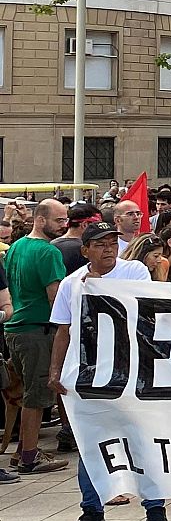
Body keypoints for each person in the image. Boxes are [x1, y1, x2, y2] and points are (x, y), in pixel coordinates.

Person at [50, 224, 161, 521]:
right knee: (90, 441)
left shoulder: (134, 270)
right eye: (100, 245)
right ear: (85, 251)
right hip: (91, 375)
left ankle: (154, 506)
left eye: (113, 242)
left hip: (132, 371)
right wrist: (55, 370)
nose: (109, 249)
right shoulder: (72, 284)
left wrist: (98, 289)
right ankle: (92, 508)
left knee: (142, 438)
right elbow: (63, 330)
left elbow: (144, 306)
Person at [5, 197, 68, 477]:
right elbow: (56, 298)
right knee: (37, 395)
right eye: (59, 220)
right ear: (40, 220)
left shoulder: (17, 246)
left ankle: (24, 451)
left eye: (65, 220)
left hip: (16, 330)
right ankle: (30, 456)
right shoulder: (48, 252)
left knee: (30, 393)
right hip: (37, 330)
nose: (64, 225)